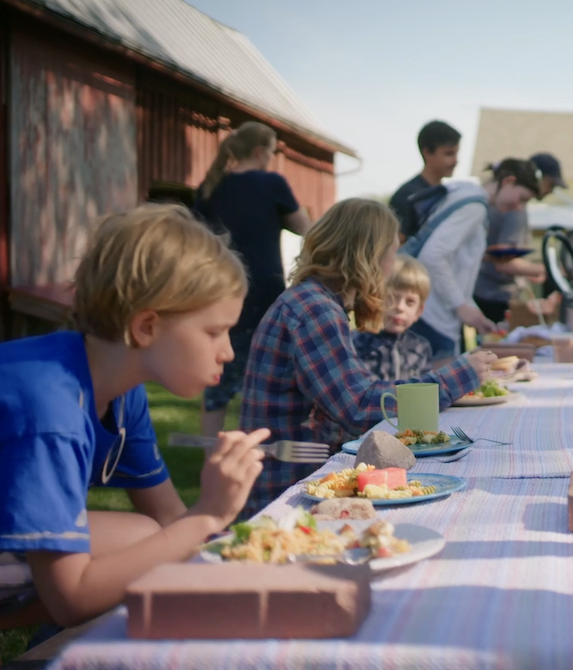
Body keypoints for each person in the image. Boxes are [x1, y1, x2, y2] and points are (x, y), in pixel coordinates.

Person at [0, 205, 267, 630]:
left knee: (149, 540)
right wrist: (208, 515)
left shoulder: (122, 394)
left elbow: (168, 519)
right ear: (146, 327)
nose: (229, 351)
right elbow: (72, 598)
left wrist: (240, 561)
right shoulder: (52, 410)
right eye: (214, 332)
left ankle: (57, 650)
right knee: (141, 549)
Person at [239, 198, 496, 519]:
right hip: (286, 497)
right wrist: (456, 377)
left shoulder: (313, 301)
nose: (395, 260)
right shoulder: (316, 310)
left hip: (299, 481)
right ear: (369, 255)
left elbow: (359, 393)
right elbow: (359, 405)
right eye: (392, 250)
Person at [193, 121, 312, 437]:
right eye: (272, 151)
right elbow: (305, 228)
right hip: (264, 290)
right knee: (265, 378)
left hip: (220, 291)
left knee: (216, 379)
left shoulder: (210, 186)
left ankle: (211, 457)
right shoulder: (272, 183)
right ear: (260, 152)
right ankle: (259, 453)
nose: (272, 158)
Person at [408, 158, 541, 360]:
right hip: (434, 318)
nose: (519, 207)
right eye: (522, 198)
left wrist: (473, 312)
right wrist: (460, 306)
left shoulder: (468, 198)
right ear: (508, 181)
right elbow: (433, 256)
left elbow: (457, 267)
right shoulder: (474, 207)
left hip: (433, 313)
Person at [472, 153, 566, 323]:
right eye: (551, 184)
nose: (551, 191)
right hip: (497, 296)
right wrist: (546, 270)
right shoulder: (515, 210)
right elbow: (504, 262)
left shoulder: (497, 199)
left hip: (479, 290)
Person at [353, 256, 434, 381]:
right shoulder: (357, 343)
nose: (400, 307)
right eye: (392, 297)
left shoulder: (421, 348)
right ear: (376, 298)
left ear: (418, 311)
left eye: (410, 302)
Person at [389, 120, 460, 240]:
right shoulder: (407, 195)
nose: (455, 161)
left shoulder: (446, 194)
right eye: (448, 154)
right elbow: (395, 244)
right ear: (427, 152)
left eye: (456, 153)